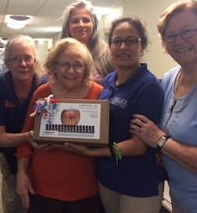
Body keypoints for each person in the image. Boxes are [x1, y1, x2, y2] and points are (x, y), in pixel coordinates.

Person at [131, 0, 197, 212]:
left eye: (188, 31)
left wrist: (160, 141)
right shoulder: (170, 78)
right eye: (171, 36)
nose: (179, 41)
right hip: (180, 199)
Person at [62, 17, 165, 213]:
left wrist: (92, 152)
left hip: (138, 183)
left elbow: (137, 146)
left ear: (142, 47)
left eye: (131, 40)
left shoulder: (148, 87)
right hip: (108, 177)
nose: (123, 46)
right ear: (110, 47)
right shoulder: (110, 80)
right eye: (117, 41)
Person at [16, 37, 103, 213]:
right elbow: (25, 137)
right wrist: (21, 173)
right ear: (54, 66)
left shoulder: (99, 93)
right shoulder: (43, 93)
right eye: (64, 64)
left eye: (78, 65)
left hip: (85, 189)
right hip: (43, 188)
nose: (71, 71)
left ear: (86, 68)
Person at [0, 34, 48, 213]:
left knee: (39, 199)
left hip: (40, 153)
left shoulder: (46, 86)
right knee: (15, 200)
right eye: (15, 59)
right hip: (8, 154)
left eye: (28, 58)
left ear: (35, 60)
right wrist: (29, 137)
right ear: (6, 62)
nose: (22, 64)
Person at [61, 0, 114, 83]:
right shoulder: (59, 54)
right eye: (75, 21)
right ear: (68, 26)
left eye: (86, 20)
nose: (81, 25)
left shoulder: (108, 53)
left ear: (94, 24)